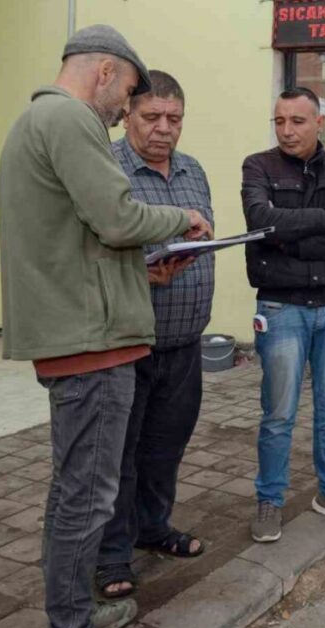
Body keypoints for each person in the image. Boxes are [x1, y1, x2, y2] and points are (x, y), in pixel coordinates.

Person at [0, 25, 211, 628]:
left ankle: (73, 619)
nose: (125, 112)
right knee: (86, 501)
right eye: (130, 97)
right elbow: (117, 217)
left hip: (80, 331)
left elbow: (78, 236)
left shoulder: (37, 121)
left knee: (74, 493)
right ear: (105, 75)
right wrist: (185, 218)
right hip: (90, 341)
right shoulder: (70, 121)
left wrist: (139, 263)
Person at [95, 71, 213, 600]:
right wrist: (142, 271)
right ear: (127, 115)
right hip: (128, 342)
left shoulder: (193, 171)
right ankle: (112, 555)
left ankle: (153, 527)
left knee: (165, 448)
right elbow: (95, 250)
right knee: (119, 457)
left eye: (175, 119)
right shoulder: (107, 168)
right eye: (151, 117)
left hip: (185, 343)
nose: (164, 129)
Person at [241, 87, 325, 543]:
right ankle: (269, 500)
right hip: (281, 309)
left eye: (297, 121)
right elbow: (262, 220)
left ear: (319, 123)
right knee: (278, 413)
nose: (286, 130)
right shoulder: (257, 166)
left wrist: (289, 238)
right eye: (279, 121)